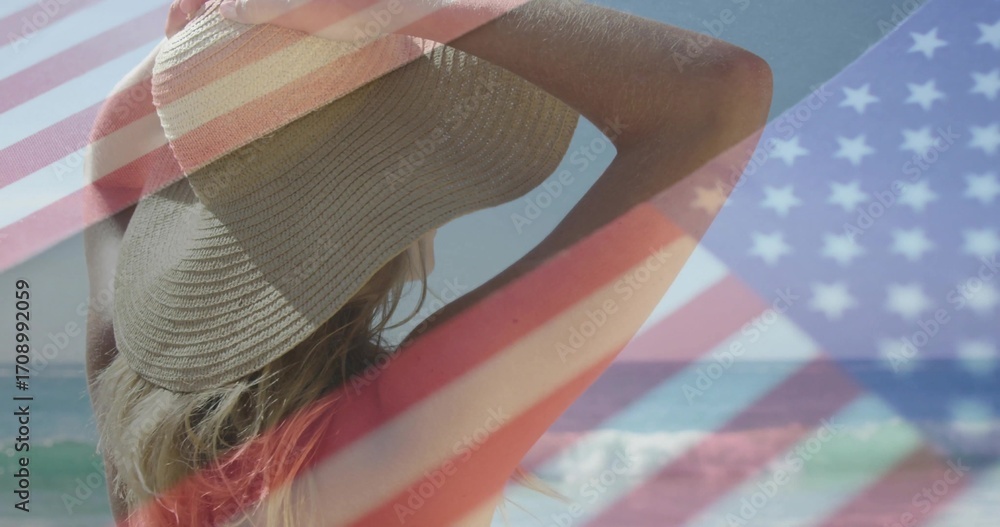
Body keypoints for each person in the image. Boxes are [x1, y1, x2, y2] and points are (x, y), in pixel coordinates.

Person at [84, 0, 773, 525]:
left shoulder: (143, 432)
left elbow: (110, 175)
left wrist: (210, 49)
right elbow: (717, 98)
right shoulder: (403, 432)